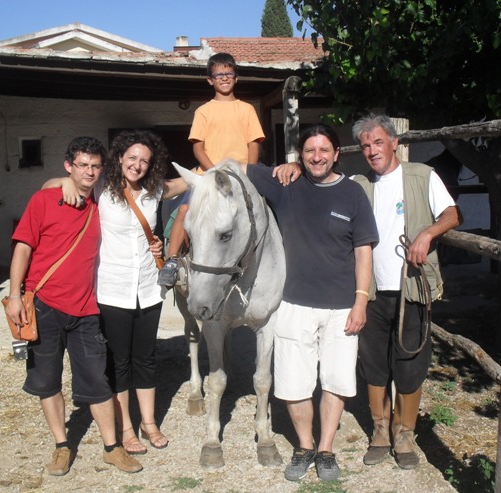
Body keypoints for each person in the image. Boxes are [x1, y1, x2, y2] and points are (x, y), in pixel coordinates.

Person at [244, 125, 379, 482]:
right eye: (308, 151)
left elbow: (363, 253)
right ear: (300, 155)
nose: (316, 156)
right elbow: (239, 166)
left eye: (323, 150)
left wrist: (361, 301)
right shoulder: (286, 186)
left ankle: (326, 449)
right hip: (294, 304)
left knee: (335, 381)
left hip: (341, 307)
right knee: (293, 383)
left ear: (337, 153)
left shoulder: (353, 194)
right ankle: (304, 447)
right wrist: (285, 167)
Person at [5, 136, 143, 476]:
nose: (90, 172)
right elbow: (22, 248)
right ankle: (62, 446)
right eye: (82, 165)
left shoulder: (101, 202)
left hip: (85, 310)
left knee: (97, 381)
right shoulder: (45, 199)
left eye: (96, 166)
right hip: (44, 307)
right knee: (48, 381)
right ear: (69, 166)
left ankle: (112, 447)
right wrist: (12, 295)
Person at [43, 130, 187, 456]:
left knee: (146, 358)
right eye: (132, 157)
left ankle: (149, 423)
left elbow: (184, 183)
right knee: (118, 361)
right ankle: (126, 428)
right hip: (112, 288)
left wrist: (224, 165)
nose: (137, 165)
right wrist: (64, 182)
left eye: (145, 161)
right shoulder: (102, 191)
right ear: (119, 158)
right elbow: (46, 187)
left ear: (152, 166)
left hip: (148, 287)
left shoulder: (153, 191)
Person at [351, 114, 461, 470]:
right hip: (370, 290)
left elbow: (452, 214)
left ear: (394, 142)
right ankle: (380, 431)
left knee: (410, 362)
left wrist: (428, 234)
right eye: (366, 145)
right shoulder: (359, 184)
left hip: (411, 288)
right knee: (373, 363)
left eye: (378, 142)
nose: (372, 150)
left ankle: (404, 433)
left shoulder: (422, 176)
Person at [158, 52, 265, 287]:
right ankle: (172, 260)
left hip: (241, 175)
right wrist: (215, 173)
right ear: (210, 80)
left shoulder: (247, 109)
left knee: (267, 210)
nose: (224, 78)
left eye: (228, 73)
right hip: (207, 174)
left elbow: (253, 145)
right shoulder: (203, 111)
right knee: (185, 210)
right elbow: (198, 150)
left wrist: (252, 173)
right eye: (219, 74)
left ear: (236, 77)